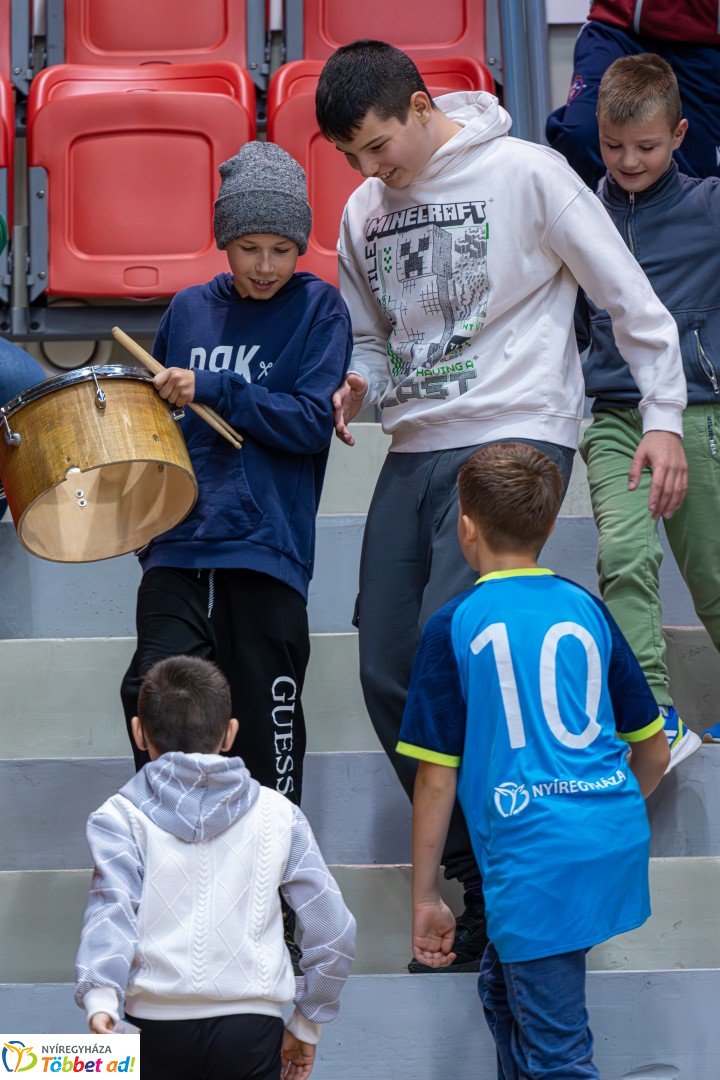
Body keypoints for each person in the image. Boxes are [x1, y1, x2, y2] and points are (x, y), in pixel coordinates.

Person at [315, 38, 687, 972]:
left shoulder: (527, 173)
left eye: (378, 145)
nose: (370, 169)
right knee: (388, 663)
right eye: (353, 156)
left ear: (417, 102)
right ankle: (484, 859)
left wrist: (665, 416)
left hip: (515, 427)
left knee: (459, 645)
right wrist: (355, 383)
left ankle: (490, 886)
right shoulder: (364, 209)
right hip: (414, 444)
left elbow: (630, 300)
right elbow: (370, 336)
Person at [397, 442, 669, 1078]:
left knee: (558, 1056)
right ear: (549, 527)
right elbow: (653, 752)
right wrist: (596, 810)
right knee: (501, 989)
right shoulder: (587, 607)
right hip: (608, 834)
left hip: (533, 855)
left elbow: (437, 781)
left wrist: (425, 896)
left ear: (465, 526)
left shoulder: (453, 623)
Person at [120, 141, 352, 809]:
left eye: (282, 248)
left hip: (266, 546)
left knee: (266, 717)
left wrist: (217, 387)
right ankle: (166, 846)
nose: (266, 265)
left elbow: (310, 423)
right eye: (250, 246)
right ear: (225, 238)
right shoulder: (189, 309)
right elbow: (160, 424)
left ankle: (274, 894)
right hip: (179, 541)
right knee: (149, 694)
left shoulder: (319, 308)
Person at [76, 655, 356, 1080]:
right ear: (230, 734)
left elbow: (110, 912)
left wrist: (100, 1000)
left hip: (151, 1027)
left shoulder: (117, 816)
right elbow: (333, 930)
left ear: (138, 732)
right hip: (252, 1027)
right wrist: (307, 1022)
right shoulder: (280, 814)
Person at [578, 53, 720, 749]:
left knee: (715, 571)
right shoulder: (579, 213)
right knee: (625, 556)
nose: (628, 161)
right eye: (612, 145)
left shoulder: (708, 208)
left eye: (647, 146)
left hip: (699, 412)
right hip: (613, 417)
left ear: (681, 134)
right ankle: (652, 716)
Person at [547, 1, 720, 190]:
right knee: (581, 135)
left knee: (696, 176)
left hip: (705, 41)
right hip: (618, 26)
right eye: (614, 146)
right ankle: (571, 215)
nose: (629, 163)